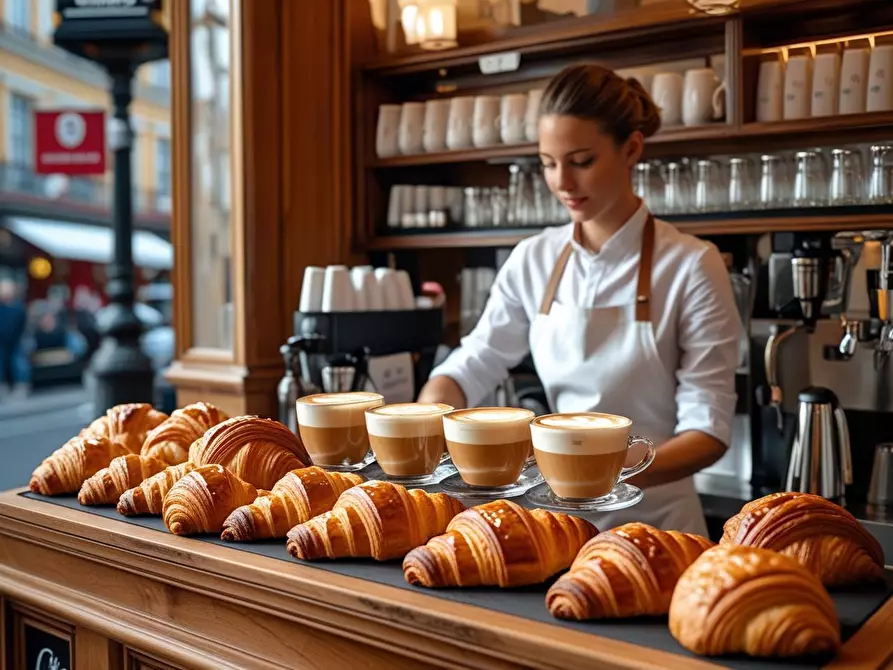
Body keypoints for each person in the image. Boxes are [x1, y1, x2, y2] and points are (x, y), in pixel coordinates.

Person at [417, 64, 741, 536]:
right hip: (558, 529)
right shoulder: (534, 258)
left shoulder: (691, 265)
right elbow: (474, 362)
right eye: (548, 163)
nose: (562, 182)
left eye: (581, 161)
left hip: (659, 530)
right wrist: (433, 414)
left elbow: (707, 431)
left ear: (631, 149)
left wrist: (596, 473)